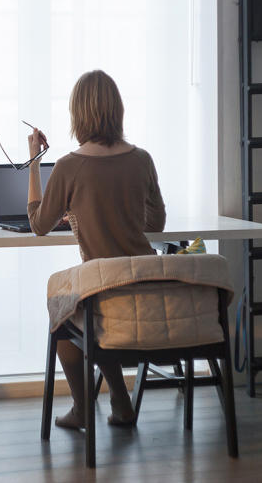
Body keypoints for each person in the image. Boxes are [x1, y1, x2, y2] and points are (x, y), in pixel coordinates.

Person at [26, 70, 166, 429]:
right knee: (96, 310)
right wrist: (117, 212)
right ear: (117, 110)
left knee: (64, 316)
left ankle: (83, 407)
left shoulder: (69, 166)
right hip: (146, 289)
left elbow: (39, 225)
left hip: (104, 293)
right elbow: (156, 224)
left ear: (79, 113)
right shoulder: (143, 159)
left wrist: (35, 162)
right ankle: (120, 401)